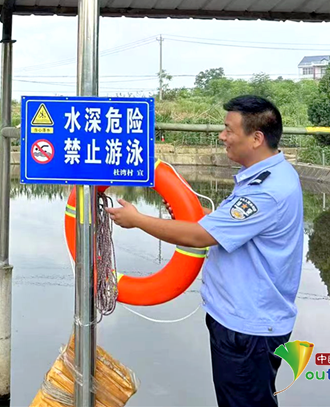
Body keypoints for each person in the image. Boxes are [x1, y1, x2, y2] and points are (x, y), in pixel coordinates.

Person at [105, 95, 304, 407]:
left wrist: (138, 220)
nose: (222, 136)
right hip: (248, 320)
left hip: (247, 329)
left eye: (228, 129)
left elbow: (200, 236)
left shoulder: (267, 190)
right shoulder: (271, 174)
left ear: (256, 138)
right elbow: (222, 227)